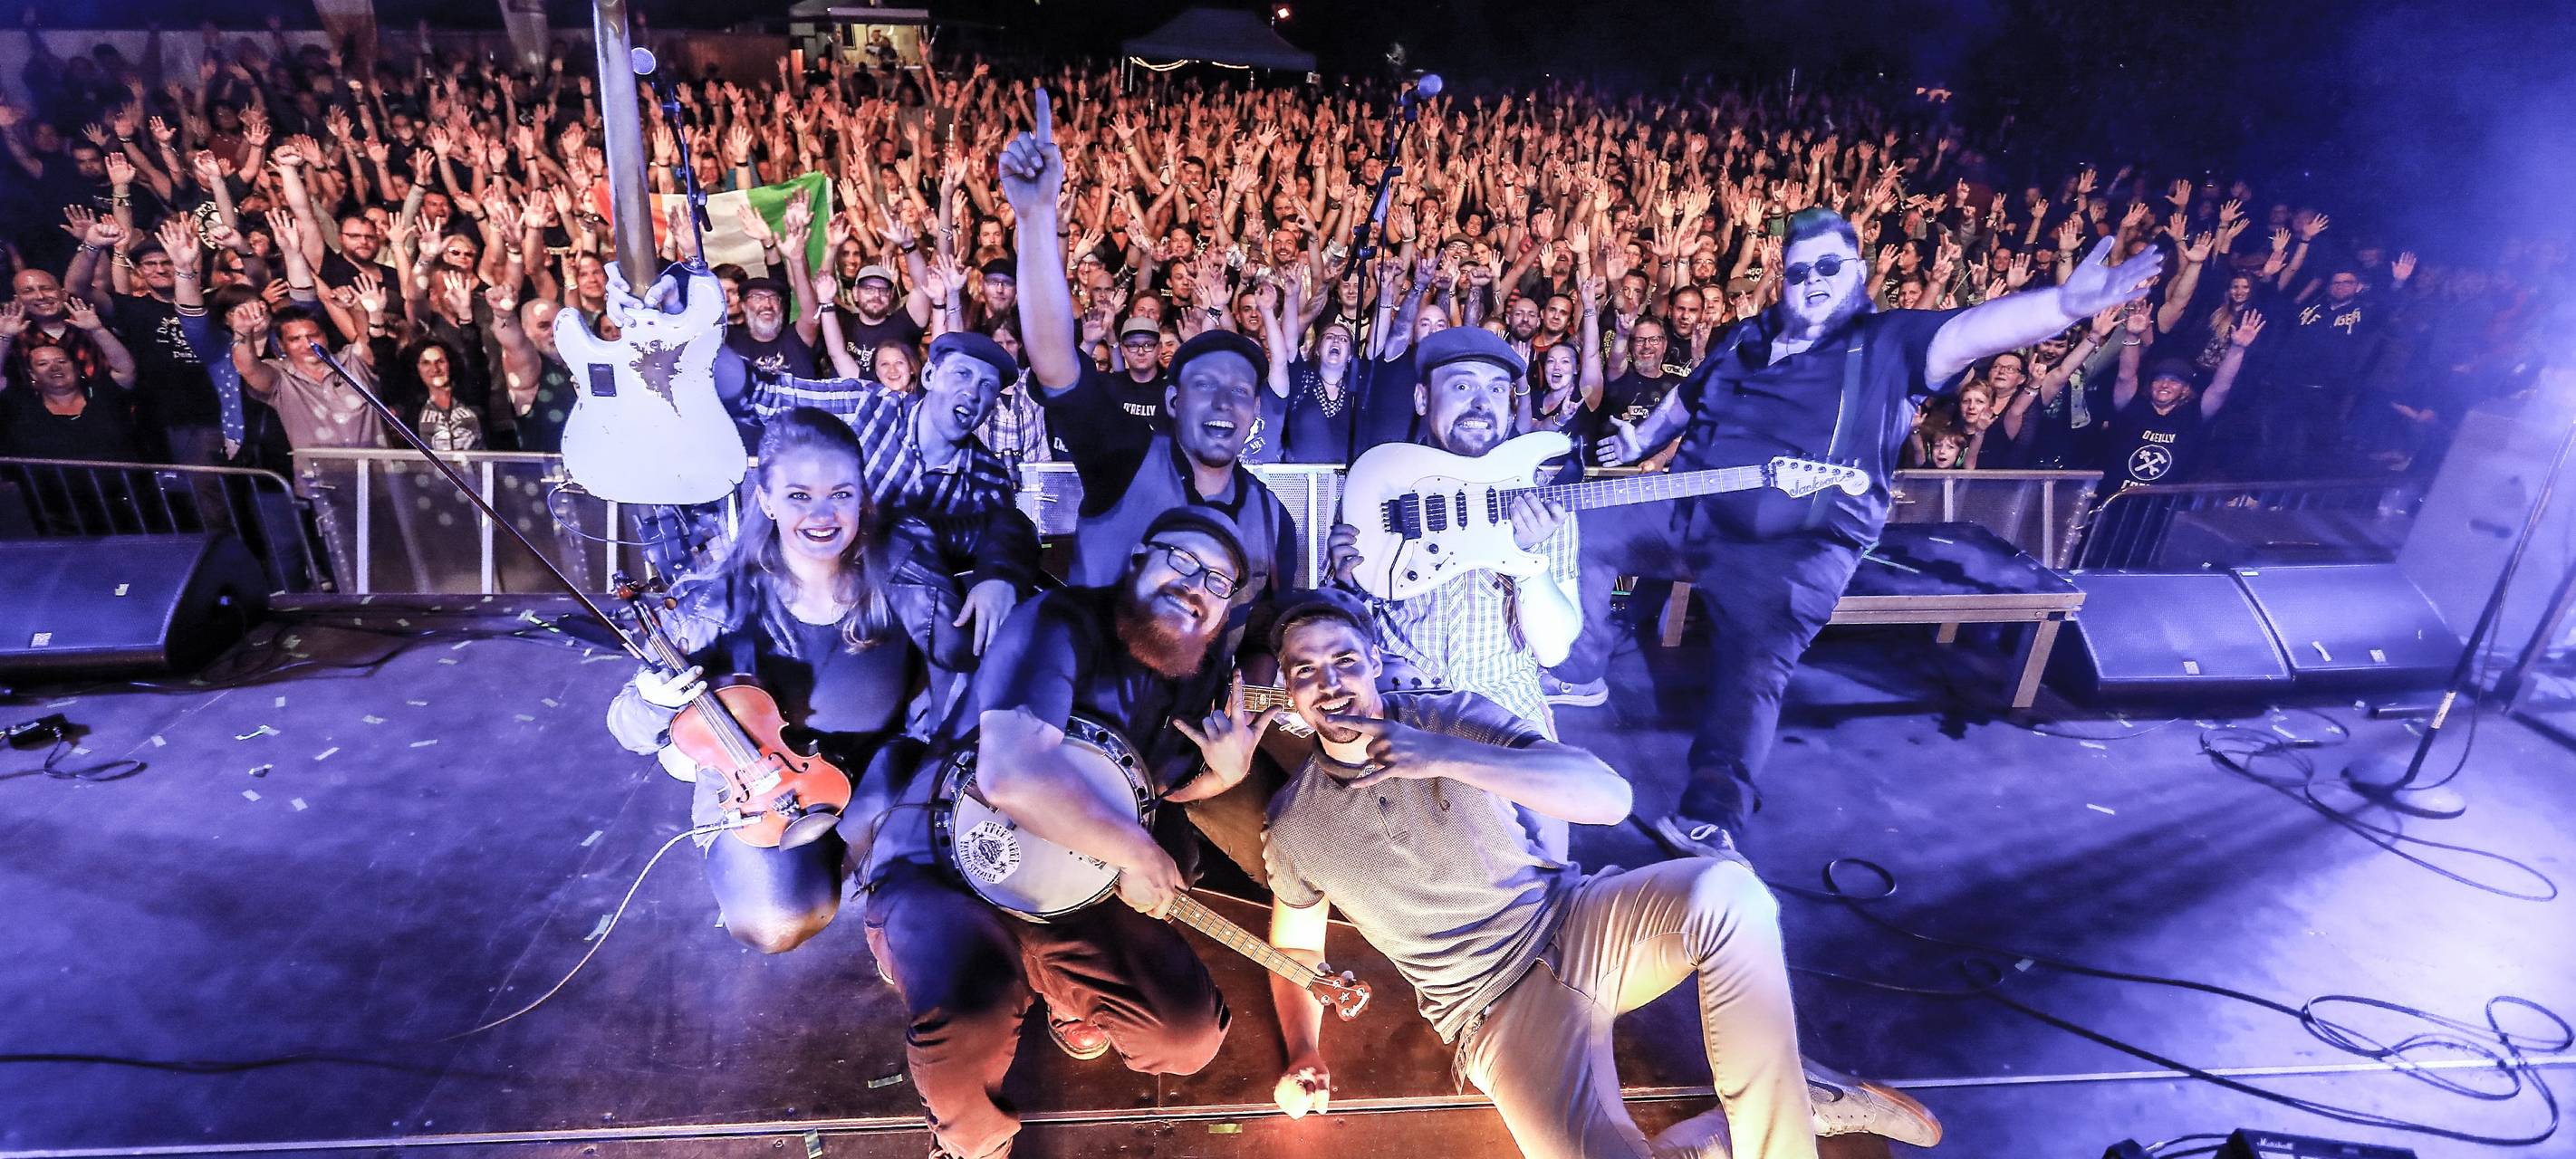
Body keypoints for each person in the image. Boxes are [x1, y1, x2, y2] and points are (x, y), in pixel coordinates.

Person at [1206, 592, 1939, 1156]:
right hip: (1488, 1010)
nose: (1330, 683)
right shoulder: (1296, 822)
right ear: (1291, 700)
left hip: (1576, 923)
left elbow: (1608, 797)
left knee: (1728, 894)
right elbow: (1298, 951)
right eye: (1306, 672)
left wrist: (1443, 755)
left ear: (1373, 663)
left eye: (1345, 661)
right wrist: (1304, 1053)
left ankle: (1779, 1136)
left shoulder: (1448, 716)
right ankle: (1793, 1097)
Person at [1562, 207, 2161, 855]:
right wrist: (1639, 442)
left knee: (1753, 663)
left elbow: (1971, 333)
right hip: (1693, 508)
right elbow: (1688, 399)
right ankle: (1582, 668)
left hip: (1794, 547)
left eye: (1828, 267)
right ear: (1780, 279)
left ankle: (1713, 813)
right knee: (1583, 524)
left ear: (1858, 272)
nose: (1812, 281)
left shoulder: (1885, 344)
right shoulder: (1747, 337)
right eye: (1798, 271)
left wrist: (2065, 304)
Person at [860, 505, 1244, 1159]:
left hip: (1072, 890)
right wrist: (1134, 849)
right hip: (946, 866)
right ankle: (973, 1146)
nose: (1195, 585)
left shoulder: (1200, 676)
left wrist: (1223, 777)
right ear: (1137, 562)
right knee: (967, 1018)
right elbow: (1012, 773)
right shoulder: (1061, 622)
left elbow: (1142, 789)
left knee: (1185, 1034)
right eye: (1180, 560)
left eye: (1217, 582)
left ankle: (1047, 980)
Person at [606, 408, 960, 953]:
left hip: (874, 769)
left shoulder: (897, 564)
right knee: (778, 921)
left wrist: (1000, 579)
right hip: (767, 790)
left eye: (840, 493)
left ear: (862, 497)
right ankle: (815, 862)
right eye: (799, 495)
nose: (822, 514)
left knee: (943, 868)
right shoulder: (720, 599)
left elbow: (1003, 527)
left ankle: (859, 857)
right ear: (766, 499)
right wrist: (652, 701)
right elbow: (626, 725)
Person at [2103, 309, 2262, 489]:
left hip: (2159, 509)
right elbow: (2126, 376)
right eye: (2159, 379)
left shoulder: (2191, 415)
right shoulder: (2134, 406)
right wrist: (2132, 336)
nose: (2165, 385)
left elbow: (2220, 388)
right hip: (2114, 500)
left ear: (2185, 390)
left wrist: (2237, 348)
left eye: (2174, 381)